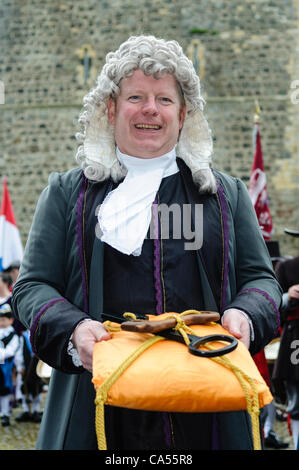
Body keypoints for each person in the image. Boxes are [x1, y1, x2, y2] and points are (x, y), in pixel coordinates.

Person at [12, 35, 282, 450]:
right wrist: (75, 330)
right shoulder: (68, 193)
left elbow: (262, 282)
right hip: (98, 402)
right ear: (111, 107)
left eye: (164, 99)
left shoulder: (225, 194)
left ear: (184, 112)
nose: (150, 109)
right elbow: (32, 288)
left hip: (208, 400)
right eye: (136, 96)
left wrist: (245, 316)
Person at [273, 226, 299, 449]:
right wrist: (288, 296)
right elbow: (273, 306)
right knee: (297, 402)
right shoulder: (287, 268)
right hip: (295, 341)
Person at [0, 303, 19, 426]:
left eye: (3, 320)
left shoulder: (13, 335)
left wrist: (1, 354)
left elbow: (12, 350)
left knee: (5, 390)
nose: (1, 322)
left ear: (11, 320)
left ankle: (5, 413)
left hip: (5, 367)